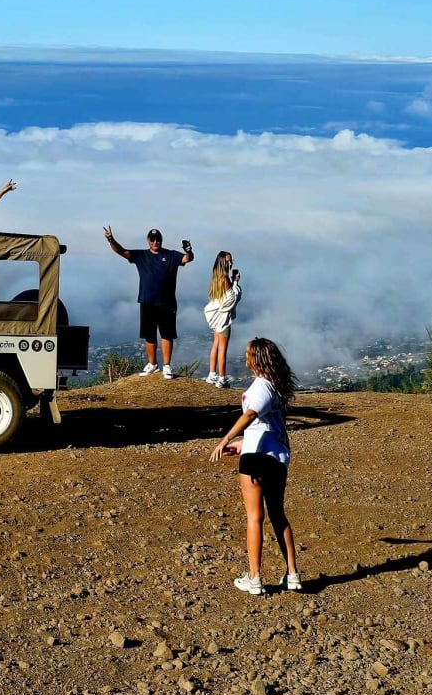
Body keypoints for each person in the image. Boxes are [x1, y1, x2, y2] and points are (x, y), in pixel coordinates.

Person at [208, 337, 302, 595]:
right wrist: (241, 443)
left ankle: (255, 577)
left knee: (254, 517)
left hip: (255, 459)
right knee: (278, 515)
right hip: (277, 458)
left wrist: (225, 439)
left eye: (249, 354)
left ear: (256, 359)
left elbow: (250, 416)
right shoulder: (277, 388)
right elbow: (267, 428)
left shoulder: (261, 386)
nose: (246, 358)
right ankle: (293, 574)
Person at [103, 226, 194, 378]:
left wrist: (189, 250)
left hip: (167, 302)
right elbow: (121, 251)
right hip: (147, 301)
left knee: (167, 334)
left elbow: (187, 259)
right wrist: (111, 239)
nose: (155, 242)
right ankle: (152, 364)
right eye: (152, 239)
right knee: (149, 334)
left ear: (161, 240)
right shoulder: (141, 255)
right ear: (148, 241)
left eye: (158, 239)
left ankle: (166, 366)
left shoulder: (171, 255)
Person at [203, 252, 242, 388]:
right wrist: (236, 282)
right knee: (223, 349)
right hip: (223, 319)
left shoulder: (216, 276)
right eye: (229, 261)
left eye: (232, 260)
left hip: (215, 317)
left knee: (215, 345)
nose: (231, 263)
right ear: (223, 262)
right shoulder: (224, 278)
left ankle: (212, 374)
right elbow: (230, 298)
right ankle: (222, 378)